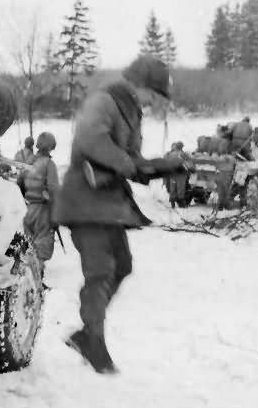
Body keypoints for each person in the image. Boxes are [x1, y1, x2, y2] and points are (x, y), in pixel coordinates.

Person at [53, 53, 171, 375]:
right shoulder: (105, 100)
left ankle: (87, 333)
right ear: (139, 84)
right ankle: (92, 338)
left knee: (122, 264)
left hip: (107, 203)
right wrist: (130, 165)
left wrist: (155, 167)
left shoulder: (131, 110)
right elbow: (90, 139)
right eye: (153, 94)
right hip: (84, 200)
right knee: (101, 270)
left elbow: (129, 156)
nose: (152, 102)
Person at [17, 132, 60, 261]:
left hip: (28, 209)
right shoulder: (49, 164)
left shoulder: (29, 162)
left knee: (29, 247)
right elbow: (54, 190)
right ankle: (37, 276)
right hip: (42, 210)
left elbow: (19, 184)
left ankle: (28, 276)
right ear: (50, 147)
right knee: (42, 248)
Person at [163, 141, 193, 207]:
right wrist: (191, 169)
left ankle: (172, 202)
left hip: (172, 174)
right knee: (180, 188)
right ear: (182, 147)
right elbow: (189, 163)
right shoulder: (184, 154)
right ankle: (181, 203)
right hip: (181, 174)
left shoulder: (170, 154)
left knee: (173, 187)